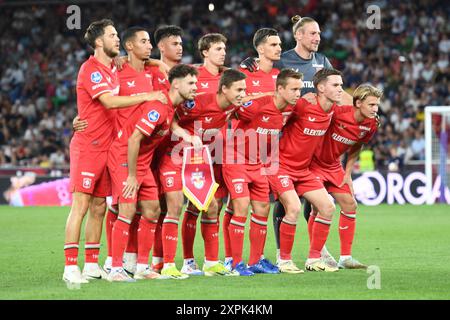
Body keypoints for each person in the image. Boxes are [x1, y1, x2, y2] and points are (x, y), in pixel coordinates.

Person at [63, 19, 160, 285]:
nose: (117, 39)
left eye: (118, 35)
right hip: (88, 146)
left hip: (109, 148)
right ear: (98, 41)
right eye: (112, 35)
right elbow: (108, 101)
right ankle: (70, 266)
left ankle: (92, 264)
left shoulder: (113, 69)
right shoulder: (91, 69)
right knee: (81, 205)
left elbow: (145, 63)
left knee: (98, 207)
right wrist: (148, 96)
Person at [106, 64, 199, 282]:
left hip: (142, 163)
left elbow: (171, 123)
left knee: (152, 210)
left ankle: (141, 267)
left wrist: (186, 135)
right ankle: (116, 269)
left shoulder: (169, 107)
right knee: (128, 210)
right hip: (124, 159)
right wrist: (131, 175)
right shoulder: (156, 107)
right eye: (191, 83)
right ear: (175, 84)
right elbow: (133, 140)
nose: (195, 87)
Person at [157, 69, 247, 278]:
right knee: (175, 205)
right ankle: (169, 265)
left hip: (198, 162)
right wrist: (185, 135)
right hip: (174, 157)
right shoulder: (196, 103)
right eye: (239, 89)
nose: (243, 94)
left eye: (245, 89)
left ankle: (211, 263)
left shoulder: (232, 106)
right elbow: (169, 117)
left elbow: (261, 99)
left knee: (212, 207)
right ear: (224, 89)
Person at [222, 68, 303, 275]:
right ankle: (234, 263)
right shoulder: (256, 105)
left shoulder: (288, 111)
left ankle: (255, 261)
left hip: (258, 165)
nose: (298, 93)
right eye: (294, 89)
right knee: (240, 206)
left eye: (299, 89)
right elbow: (229, 109)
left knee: (262, 210)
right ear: (280, 89)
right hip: (236, 161)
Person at [267, 68, 345, 273]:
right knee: (292, 208)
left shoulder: (333, 111)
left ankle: (314, 259)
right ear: (320, 87)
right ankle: (284, 261)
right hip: (281, 167)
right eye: (336, 85)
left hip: (303, 170)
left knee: (328, 206)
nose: (340, 89)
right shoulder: (301, 105)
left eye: (341, 85)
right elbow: (275, 107)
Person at [309, 84, 381, 269]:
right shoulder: (338, 113)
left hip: (333, 166)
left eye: (377, 105)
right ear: (358, 103)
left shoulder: (371, 123)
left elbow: (357, 145)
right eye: (371, 104)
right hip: (313, 163)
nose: (375, 109)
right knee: (320, 208)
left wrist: (347, 173)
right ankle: (316, 257)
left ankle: (345, 257)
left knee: (350, 204)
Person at [179, 33, 228, 275]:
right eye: (218, 48)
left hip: (219, 152)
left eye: (224, 48)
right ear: (205, 52)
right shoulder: (192, 76)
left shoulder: (228, 77)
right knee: (194, 205)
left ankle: (212, 260)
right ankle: (187, 260)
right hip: (193, 152)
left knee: (215, 205)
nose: (223, 52)